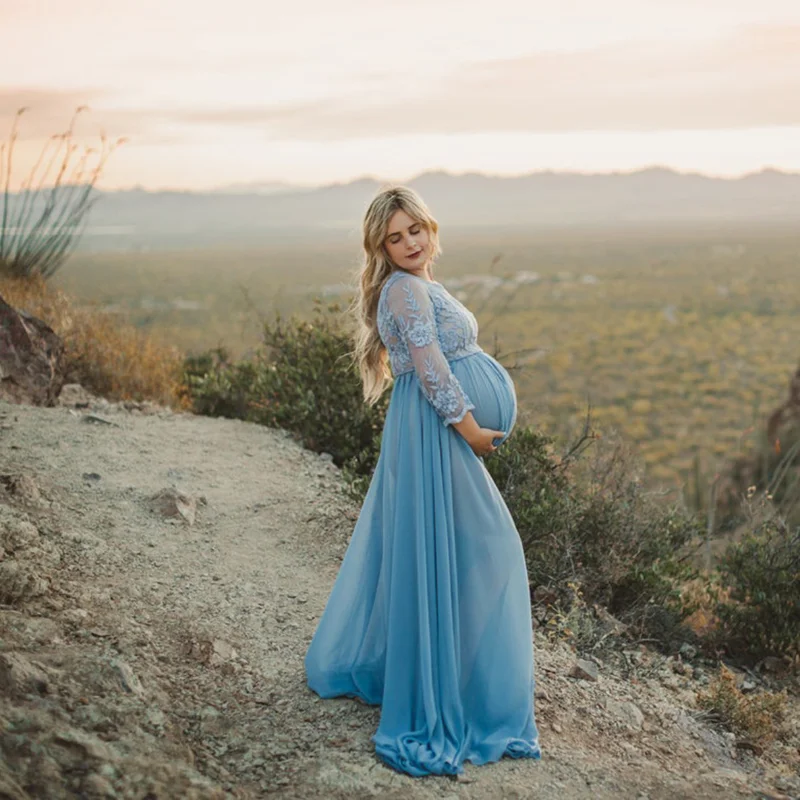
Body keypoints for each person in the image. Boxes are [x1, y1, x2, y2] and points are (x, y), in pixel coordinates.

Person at [304, 185, 542, 777]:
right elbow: (431, 364)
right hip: (438, 430)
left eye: (416, 230)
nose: (410, 242)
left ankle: (451, 677)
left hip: (430, 429)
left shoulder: (419, 285)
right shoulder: (405, 288)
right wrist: (471, 430)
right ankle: (450, 696)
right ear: (381, 247)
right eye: (396, 236)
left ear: (431, 228)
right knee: (491, 549)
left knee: (451, 553)